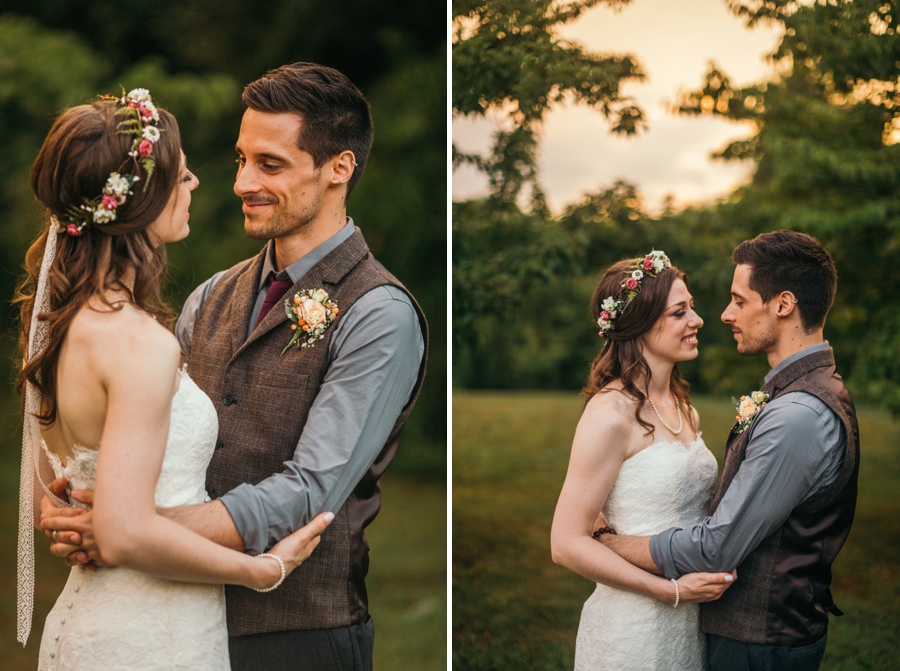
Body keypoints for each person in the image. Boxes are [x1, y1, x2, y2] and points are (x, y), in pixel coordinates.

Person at [41, 63, 428, 671]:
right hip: (173, 617)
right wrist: (71, 509)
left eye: (270, 164)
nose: (242, 182)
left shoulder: (380, 314)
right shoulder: (207, 297)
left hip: (298, 634)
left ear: (339, 168)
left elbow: (309, 491)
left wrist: (129, 527)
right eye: (242, 159)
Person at [15, 90, 333, 670]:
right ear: (142, 199)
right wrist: (260, 570)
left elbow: (49, 498)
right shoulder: (139, 344)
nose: (195, 183)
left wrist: (73, 518)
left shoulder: (58, 329)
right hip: (149, 636)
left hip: (87, 622)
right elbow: (125, 535)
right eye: (181, 174)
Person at [596, 231, 856, 671]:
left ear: (783, 304)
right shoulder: (805, 392)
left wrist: (606, 540)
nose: (723, 314)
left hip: (761, 642)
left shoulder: (796, 415)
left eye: (739, 300)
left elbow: (716, 549)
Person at [550, 250, 737, 671]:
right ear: (640, 323)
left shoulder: (685, 409)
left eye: (691, 308)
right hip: (632, 628)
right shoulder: (610, 414)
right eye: (679, 312)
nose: (697, 320)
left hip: (693, 621)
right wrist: (668, 591)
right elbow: (565, 544)